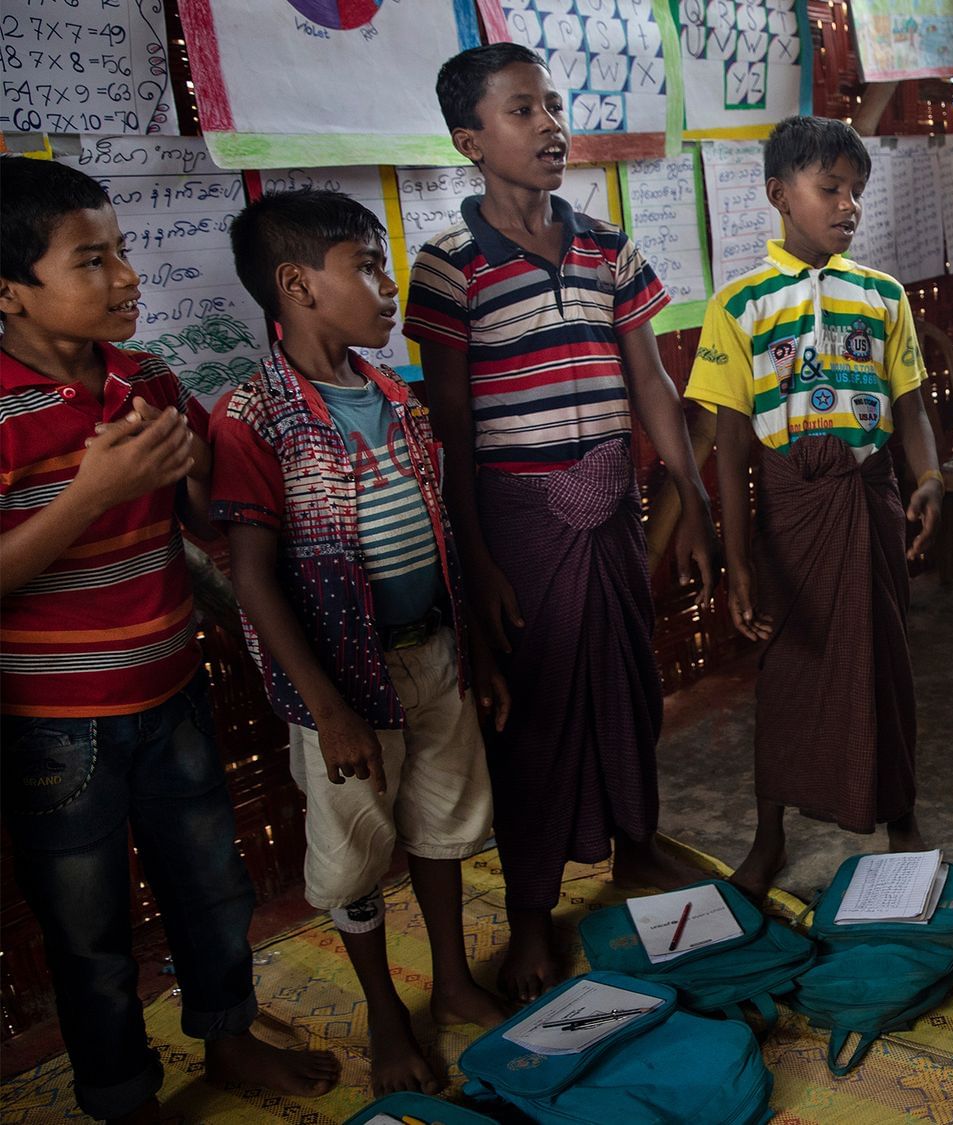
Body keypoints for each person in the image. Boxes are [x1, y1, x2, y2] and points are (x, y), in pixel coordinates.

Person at [0, 157, 339, 1122]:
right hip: (56, 728)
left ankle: (229, 1040)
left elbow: (205, 512)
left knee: (211, 888)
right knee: (89, 931)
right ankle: (121, 1093)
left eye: (122, 253)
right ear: (10, 291)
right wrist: (91, 494)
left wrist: (192, 473)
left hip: (172, 688)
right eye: (90, 261)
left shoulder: (145, 378)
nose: (126, 279)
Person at [403, 43, 717, 1002]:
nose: (549, 125)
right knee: (533, 716)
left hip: (613, 502)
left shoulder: (607, 245)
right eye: (520, 111)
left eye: (552, 105)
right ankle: (534, 909)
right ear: (470, 141)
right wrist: (479, 559)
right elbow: (452, 430)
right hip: (518, 516)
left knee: (627, 681)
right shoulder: (449, 268)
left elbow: (653, 383)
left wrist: (692, 502)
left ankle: (633, 841)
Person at [210, 189, 511, 1095]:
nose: (389, 286)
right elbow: (253, 575)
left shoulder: (393, 393)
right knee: (354, 857)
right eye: (367, 266)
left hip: (432, 656)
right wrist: (328, 707)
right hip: (342, 684)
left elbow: (441, 537)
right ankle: (386, 1010)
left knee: (443, 824)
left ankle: (452, 979)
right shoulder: (255, 416)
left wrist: (473, 656)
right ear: (297, 284)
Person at [685, 116, 945, 898]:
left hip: (869, 501)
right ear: (778, 194)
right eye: (830, 188)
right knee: (789, 670)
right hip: (792, 512)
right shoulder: (739, 306)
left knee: (887, 658)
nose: (848, 205)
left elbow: (913, 409)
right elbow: (731, 447)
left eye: (856, 191)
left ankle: (900, 816)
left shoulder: (883, 296)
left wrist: (926, 477)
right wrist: (736, 558)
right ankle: (769, 834)